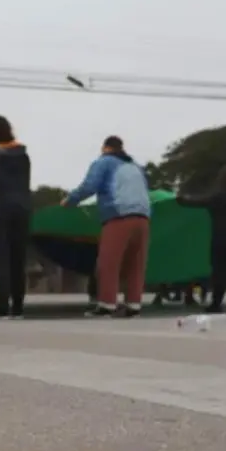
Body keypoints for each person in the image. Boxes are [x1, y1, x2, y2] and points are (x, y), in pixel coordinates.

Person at [63, 136, 150, 317]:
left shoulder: (104, 162)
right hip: (143, 218)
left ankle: (107, 305)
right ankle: (134, 305)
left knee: (108, 263)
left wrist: (70, 201)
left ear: (105, 148)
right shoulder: (136, 166)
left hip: (118, 216)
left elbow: (90, 186)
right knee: (135, 263)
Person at [176, 165, 226, 313]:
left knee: (219, 272)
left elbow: (193, 202)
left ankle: (216, 304)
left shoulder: (217, 197)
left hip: (221, 239)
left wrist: (180, 198)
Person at [0, 116, 31, 320]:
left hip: (0, 209)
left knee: (2, 259)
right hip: (22, 208)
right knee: (18, 259)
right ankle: (18, 308)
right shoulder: (23, 154)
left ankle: (2, 307)